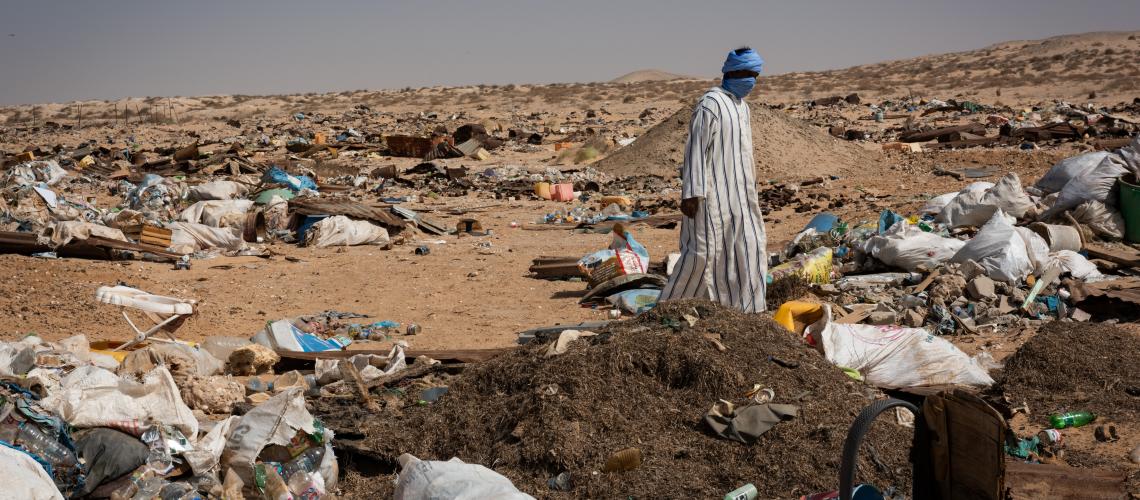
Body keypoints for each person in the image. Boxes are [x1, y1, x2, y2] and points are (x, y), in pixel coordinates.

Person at [659, 47, 768, 313]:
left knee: (749, 249)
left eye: (756, 75)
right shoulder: (712, 103)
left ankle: (746, 311)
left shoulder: (743, 108)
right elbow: (696, 149)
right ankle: (671, 309)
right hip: (710, 199)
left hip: (740, 197)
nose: (752, 81)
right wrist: (691, 194)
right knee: (704, 255)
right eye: (748, 74)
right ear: (733, 72)